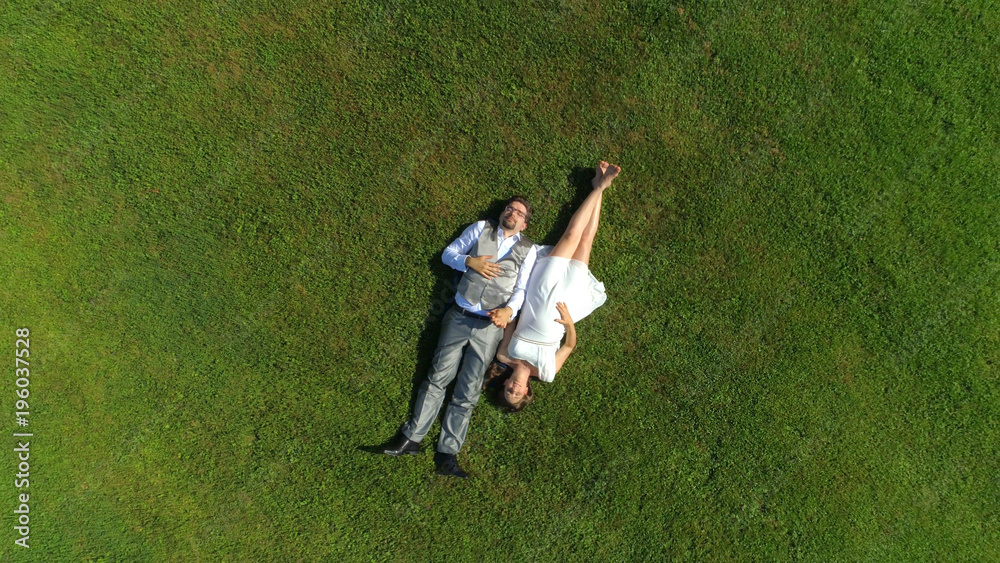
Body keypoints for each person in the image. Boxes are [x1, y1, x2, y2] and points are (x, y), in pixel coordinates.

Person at [378, 197, 538, 477]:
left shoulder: (529, 249)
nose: (511, 213)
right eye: (508, 208)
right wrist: (469, 262)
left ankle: (447, 454)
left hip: (490, 326)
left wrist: (509, 311)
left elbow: (522, 289)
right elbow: (447, 255)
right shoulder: (480, 229)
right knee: (438, 376)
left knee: (469, 388)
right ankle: (411, 438)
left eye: (518, 212)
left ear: (525, 223)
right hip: (459, 315)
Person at [488, 161, 620, 411]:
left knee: (571, 236)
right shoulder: (546, 373)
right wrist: (570, 323)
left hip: (541, 291)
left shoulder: (504, 356)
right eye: (516, 394)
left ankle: (600, 186)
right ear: (526, 391)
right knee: (585, 241)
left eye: (507, 390)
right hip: (565, 303)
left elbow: (512, 320)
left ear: (505, 384)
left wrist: (501, 311)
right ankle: (599, 188)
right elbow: (569, 345)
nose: (513, 389)